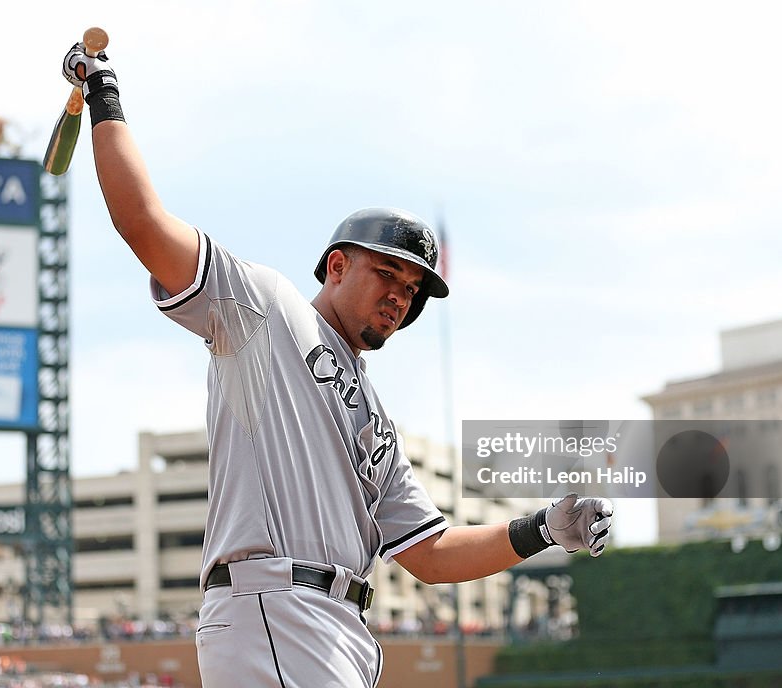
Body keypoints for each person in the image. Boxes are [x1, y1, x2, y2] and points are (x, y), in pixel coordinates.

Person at [63, 40, 614, 688]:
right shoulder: (265, 313)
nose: (400, 296)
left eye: (412, 290)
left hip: (342, 628)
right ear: (336, 265)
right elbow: (145, 226)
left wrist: (543, 527)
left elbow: (430, 554)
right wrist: (104, 93)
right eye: (388, 273)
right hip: (273, 603)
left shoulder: (376, 417)